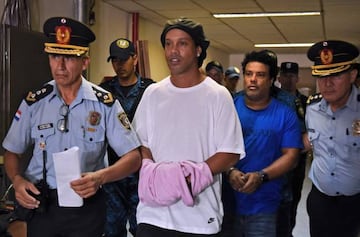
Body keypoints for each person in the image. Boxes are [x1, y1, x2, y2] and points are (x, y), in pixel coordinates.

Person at [1, 17, 142, 237]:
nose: (60, 66)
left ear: (84, 62)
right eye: (55, 56)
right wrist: (17, 181)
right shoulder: (34, 103)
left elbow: (133, 158)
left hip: (87, 207)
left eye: (68, 58)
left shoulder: (104, 103)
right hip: (41, 205)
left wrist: (100, 177)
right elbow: (11, 152)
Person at [132, 17, 246, 237]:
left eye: (182, 43)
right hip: (153, 214)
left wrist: (190, 178)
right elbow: (141, 142)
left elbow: (230, 152)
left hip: (198, 218)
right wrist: (153, 175)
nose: (173, 51)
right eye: (168, 43)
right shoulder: (153, 93)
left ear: (198, 50)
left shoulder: (217, 95)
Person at [227, 50, 303, 237]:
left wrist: (261, 176)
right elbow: (211, 145)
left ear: (271, 80)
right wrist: (230, 171)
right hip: (227, 203)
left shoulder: (286, 114)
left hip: (264, 206)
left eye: (260, 75)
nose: (253, 79)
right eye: (249, 74)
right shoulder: (228, 107)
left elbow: (291, 156)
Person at [99, 38, 155, 237]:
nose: (119, 65)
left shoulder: (151, 91)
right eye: (115, 60)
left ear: (135, 59)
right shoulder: (103, 92)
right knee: (112, 227)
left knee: (142, 226)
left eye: (124, 59)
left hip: (142, 172)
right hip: (113, 170)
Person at [305, 40, 360, 237]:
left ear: (352, 75)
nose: (326, 84)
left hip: (354, 202)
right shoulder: (312, 108)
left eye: (335, 75)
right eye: (321, 77)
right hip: (320, 199)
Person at [277, 61, 310, 237]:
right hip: (276, 160)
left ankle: (289, 231)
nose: (288, 80)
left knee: (293, 201)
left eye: (292, 76)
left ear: (297, 78)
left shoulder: (307, 103)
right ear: (279, 78)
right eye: (285, 76)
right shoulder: (272, 100)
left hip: (297, 162)